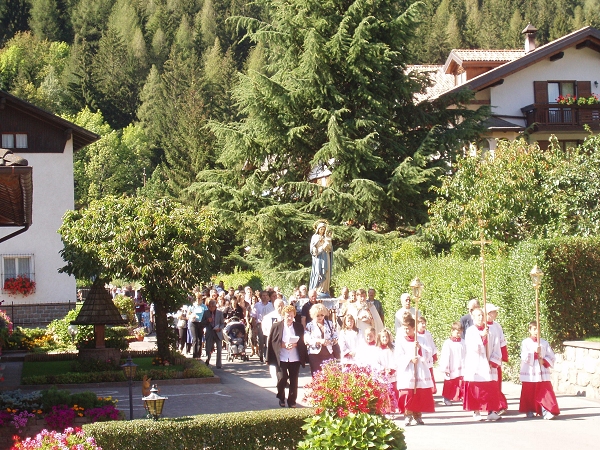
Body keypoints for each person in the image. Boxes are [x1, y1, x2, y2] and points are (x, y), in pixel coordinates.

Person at [463, 308, 503, 421]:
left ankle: (491, 411)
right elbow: (473, 347)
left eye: (482, 315)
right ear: (473, 317)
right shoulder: (471, 331)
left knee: (490, 388)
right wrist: (482, 336)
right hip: (476, 363)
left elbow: (496, 345)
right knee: (477, 388)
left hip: (488, 362)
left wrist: (494, 360)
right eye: (478, 315)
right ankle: (476, 411)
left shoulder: (491, 329)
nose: (480, 317)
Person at [395, 315, 435, 426]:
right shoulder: (401, 341)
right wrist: (409, 359)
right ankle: (407, 415)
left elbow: (429, 352)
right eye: (405, 328)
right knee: (408, 393)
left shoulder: (421, 339)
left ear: (413, 328)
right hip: (407, 369)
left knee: (418, 393)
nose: (406, 331)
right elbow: (398, 356)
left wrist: (420, 349)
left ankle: (418, 416)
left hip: (419, 368)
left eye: (408, 328)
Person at [267, 305, 308, 408]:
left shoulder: (298, 326)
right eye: (287, 315)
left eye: (291, 315)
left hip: (295, 356)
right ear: (283, 315)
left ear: (294, 315)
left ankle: (292, 401)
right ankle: (281, 397)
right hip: (282, 356)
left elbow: (302, 341)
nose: (289, 318)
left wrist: (295, 344)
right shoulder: (276, 326)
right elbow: (273, 341)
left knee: (294, 380)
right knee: (282, 378)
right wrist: (284, 345)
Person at [519, 321, 560, 419]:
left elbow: (552, 356)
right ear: (530, 330)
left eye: (538, 329)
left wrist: (544, 361)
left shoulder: (544, 342)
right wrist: (534, 353)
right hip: (530, 371)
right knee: (529, 391)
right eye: (534, 329)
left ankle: (546, 410)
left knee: (544, 391)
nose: (536, 331)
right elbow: (524, 356)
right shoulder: (526, 342)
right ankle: (529, 409)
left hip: (542, 371)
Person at [486, 304, 509, 413]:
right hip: (484, 358)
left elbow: (502, 342)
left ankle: (498, 404)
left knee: (496, 382)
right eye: (494, 312)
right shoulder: (482, 327)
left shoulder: (497, 326)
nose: (496, 314)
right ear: (488, 313)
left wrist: (502, 356)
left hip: (495, 358)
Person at [305, 303, 338, 376]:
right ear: (313, 315)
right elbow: (307, 339)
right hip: (315, 355)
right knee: (317, 376)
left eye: (322, 315)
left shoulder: (330, 323)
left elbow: (335, 335)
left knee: (330, 375)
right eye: (317, 315)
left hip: (328, 353)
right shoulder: (309, 325)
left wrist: (331, 341)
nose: (320, 317)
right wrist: (319, 341)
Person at [440, 322, 466, 405]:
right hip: (452, 365)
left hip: (462, 364)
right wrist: (446, 367)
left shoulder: (464, 342)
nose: (458, 334)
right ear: (452, 331)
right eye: (456, 332)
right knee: (450, 382)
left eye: (460, 332)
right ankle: (446, 397)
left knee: (462, 381)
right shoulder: (448, 343)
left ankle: (462, 396)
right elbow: (445, 355)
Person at [377, 328, 398, 415]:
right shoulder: (377, 350)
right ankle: (387, 410)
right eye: (383, 337)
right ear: (379, 338)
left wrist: (392, 369)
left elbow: (396, 360)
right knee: (385, 392)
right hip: (383, 375)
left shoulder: (393, 349)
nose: (385, 339)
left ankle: (394, 408)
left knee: (393, 391)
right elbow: (376, 362)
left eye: (386, 337)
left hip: (392, 373)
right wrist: (382, 369)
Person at [309, 221, 333, 295]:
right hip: (318, 258)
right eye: (321, 229)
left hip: (326, 257)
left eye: (323, 229)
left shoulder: (326, 237)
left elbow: (330, 249)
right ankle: (317, 289)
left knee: (326, 272)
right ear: (318, 229)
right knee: (318, 272)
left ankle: (324, 289)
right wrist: (315, 249)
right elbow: (313, 248)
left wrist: (327, 244)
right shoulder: (314, 237)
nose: (322, 231)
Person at [250, 290, 275, 362]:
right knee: (261, 341)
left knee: (268, 340)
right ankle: (261, 354)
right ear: (260, 297)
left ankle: (266, 356)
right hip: (260, 324)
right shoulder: (257, 305)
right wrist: (254, 327)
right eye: (263, 295)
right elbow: (253, 317)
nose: (265, 297)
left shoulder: (270, 305)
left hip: (269, 324)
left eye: (266, 295)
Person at [417, 316, 438, 394]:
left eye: (424, 323)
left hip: (428, 357)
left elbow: (431, 344)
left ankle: (432, 390)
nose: (423, 325)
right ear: (417, 324)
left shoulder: (427, 334)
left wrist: (434, 355)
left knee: (430, 374)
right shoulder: (416, 335)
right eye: (421, 323)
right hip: (421, 357)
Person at [202, 300, 225, 368]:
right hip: (210, 332)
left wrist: (220, 328)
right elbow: (202, 323)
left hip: (217, 332)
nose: (211, 308)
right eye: (209, 306)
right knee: (208, 348)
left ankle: (218, 364)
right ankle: (207, 359)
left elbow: (222, 323)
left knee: (219, 348)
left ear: (215, 307)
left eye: (212, 306)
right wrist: (207, 321)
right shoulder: (206, 313)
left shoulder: (219, 313)